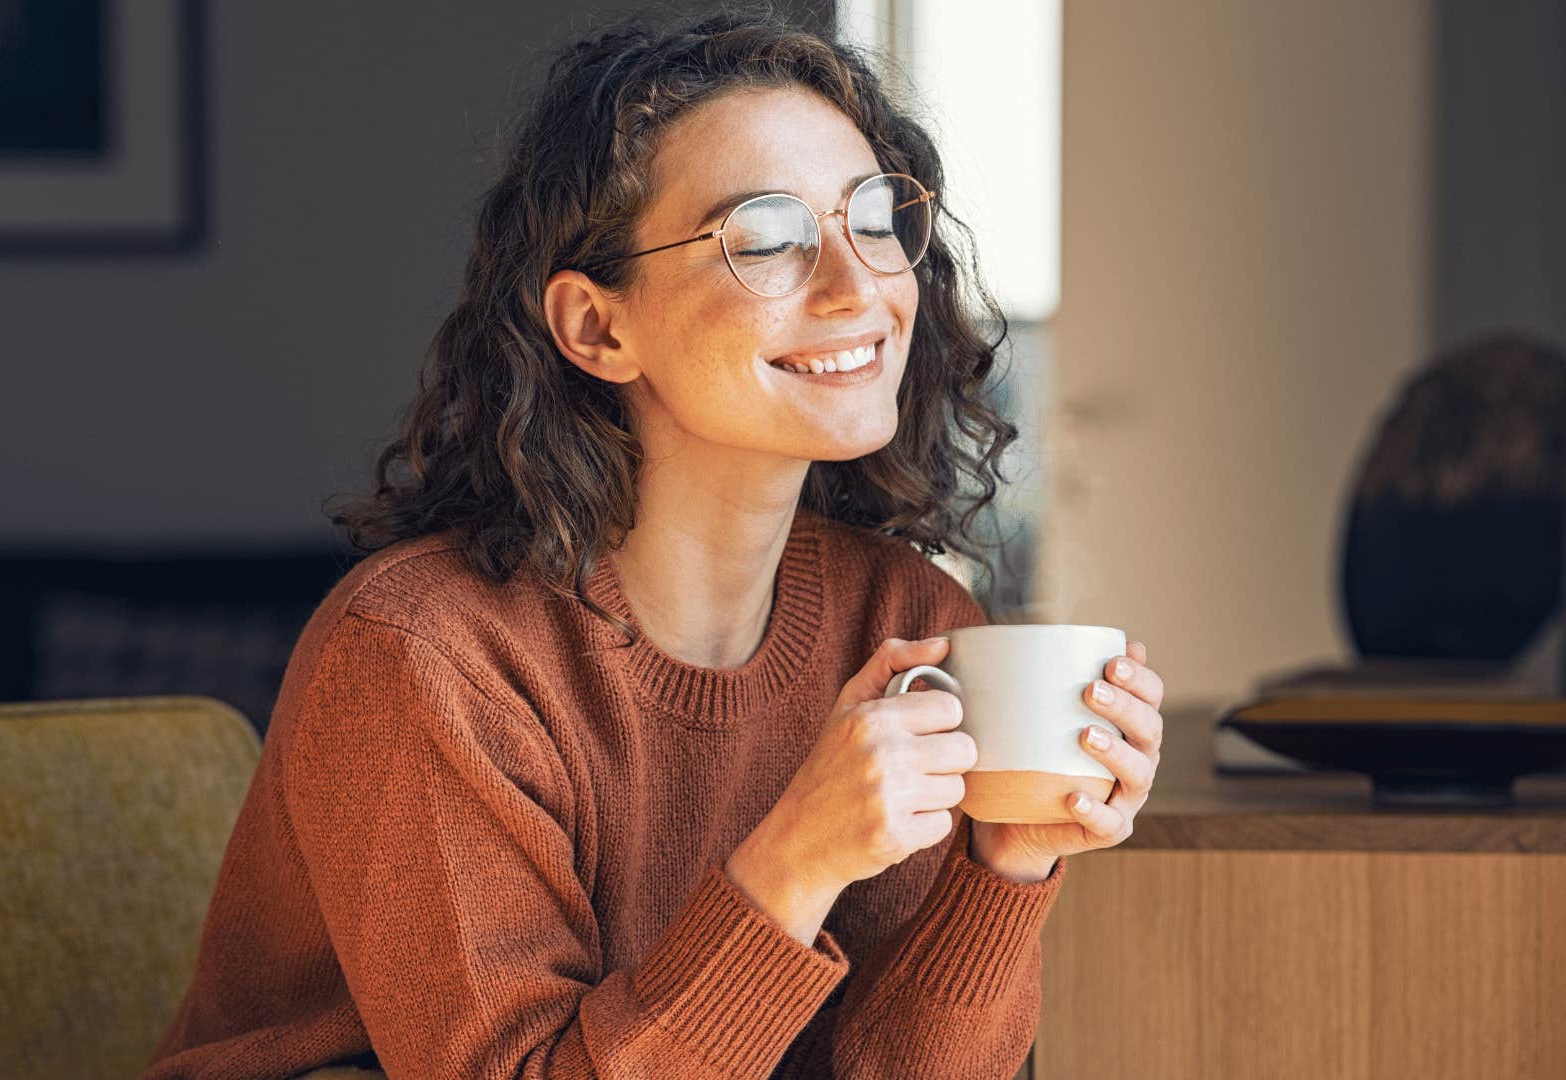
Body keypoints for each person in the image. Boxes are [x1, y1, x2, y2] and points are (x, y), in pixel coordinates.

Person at [140, 6, 1166, 1078]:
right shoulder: (424, 655)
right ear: (598, 327)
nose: (857, 286)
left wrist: (1005, 868)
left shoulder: (906, 623)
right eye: (765, 239)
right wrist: (792, 861)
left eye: (875, 219)